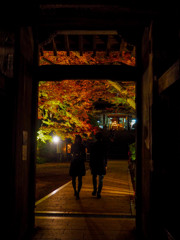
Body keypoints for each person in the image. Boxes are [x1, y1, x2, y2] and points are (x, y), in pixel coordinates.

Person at [90, 132, 107, 199]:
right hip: (101, 162)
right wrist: (105, 164)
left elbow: (91, 155)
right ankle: (99, 192)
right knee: (101, 178)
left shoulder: (94, 145)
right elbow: (105, 155)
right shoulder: (103, 145)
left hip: (95, 162)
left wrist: (90, 163)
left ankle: (95, 189)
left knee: (94, 177)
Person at [69, 135, 86, 199]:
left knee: (79, 178)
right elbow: (71, 153)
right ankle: (75, 190)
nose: (77, 140)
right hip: (75, 162)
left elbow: (84, 154)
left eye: (78, 139)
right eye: (77, 139)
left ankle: (78, 192)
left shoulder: (82, 146)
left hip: (79, 162)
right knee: (73, 178)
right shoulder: (74, 145)